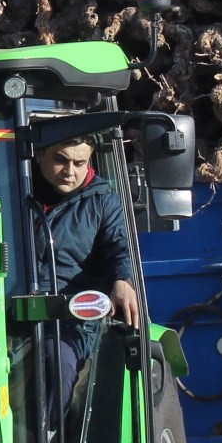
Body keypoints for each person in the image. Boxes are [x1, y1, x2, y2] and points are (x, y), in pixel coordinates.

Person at [30, 137, 142, 327]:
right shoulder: (7, 193)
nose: (69, 171)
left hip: (69, 321)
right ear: (39, 154)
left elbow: (119, 246)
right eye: (61, 160)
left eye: (79, 163)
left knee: (56, 356)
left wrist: (123, 279)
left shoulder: (105, 202)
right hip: (3, 312)